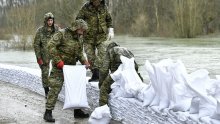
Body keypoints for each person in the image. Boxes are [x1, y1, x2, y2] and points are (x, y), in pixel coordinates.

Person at [44, 19, 90, 122]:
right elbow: (50, 46)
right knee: (55, 88)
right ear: (76, 27)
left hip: (71, 68)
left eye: (83, 30)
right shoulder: (62, 34)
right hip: (59, 67)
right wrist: (58, 61)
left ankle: (77, 112)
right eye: (81, 30)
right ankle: (48, 112)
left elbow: (79, 53)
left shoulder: (79, 38)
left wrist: (84, 62)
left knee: (75, 88)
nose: (82, 32)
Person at [76, 0, 114, 82]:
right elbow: (78, 19)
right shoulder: (85, 7)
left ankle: (97, 73)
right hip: (88, 37)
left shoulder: (104, 7)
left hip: (101, 36)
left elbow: (109, 20)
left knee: (102, 52)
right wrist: (81, 29)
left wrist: (111, 29)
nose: (97, 2)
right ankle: (96, 74)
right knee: (90, 56)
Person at [99, 41, 143, 106]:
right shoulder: (127, 50)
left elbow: (104, 70)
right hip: (130, 72)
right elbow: (135, 66)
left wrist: (101, 84)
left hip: (118, 72)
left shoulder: (110, 51)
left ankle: (102, 110)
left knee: (103, 88)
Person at [33, 12, 60, 99]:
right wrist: (38, 58)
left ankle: (55, 89)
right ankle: (46, 91)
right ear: (45, 21)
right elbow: (36, 45)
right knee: (45, 73)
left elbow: (62, 40)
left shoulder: (57, 29)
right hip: (44, 55)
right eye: (48, 20)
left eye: (51, 20)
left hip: (55, 54)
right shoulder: (40, 31)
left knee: (56, 72)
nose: (50, 22)